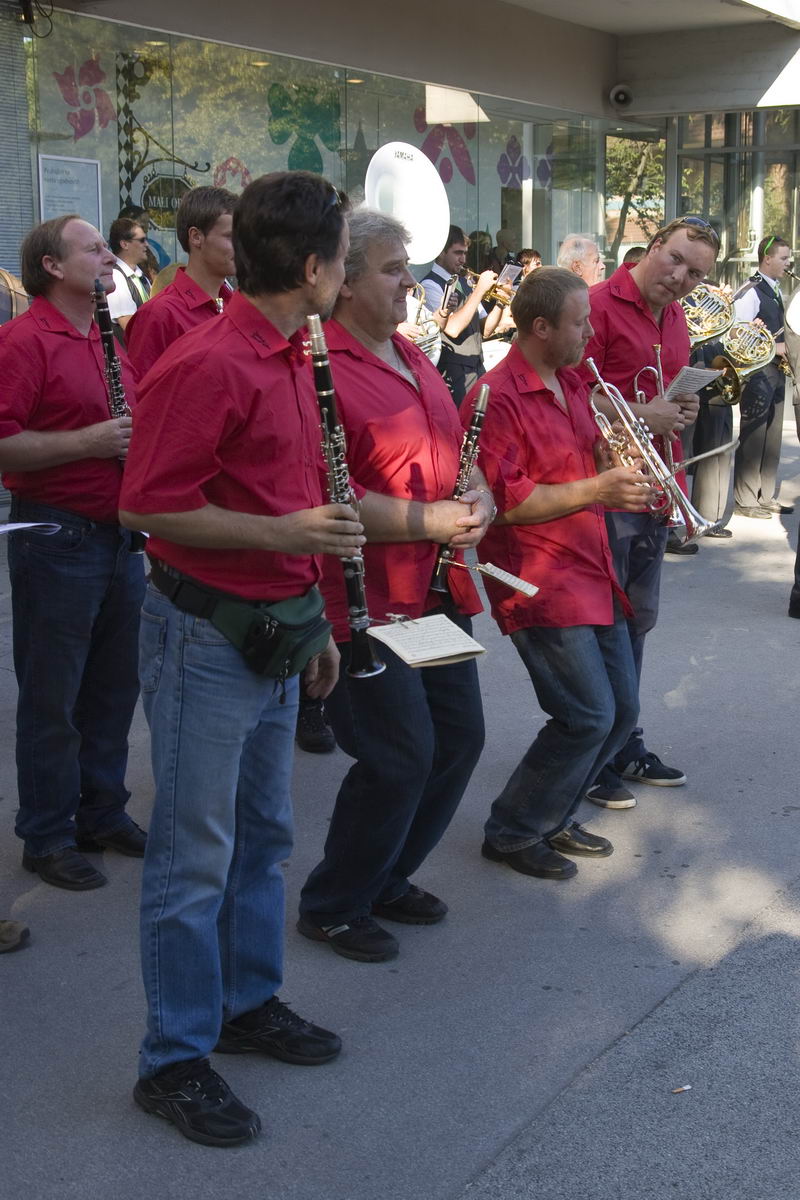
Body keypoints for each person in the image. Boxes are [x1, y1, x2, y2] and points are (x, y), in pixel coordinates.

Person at [119, 171, 359, 1148]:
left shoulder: (295, 350)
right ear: (310, 267)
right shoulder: (210, 360)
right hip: (205, 641)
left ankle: (244, 1003)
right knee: (193, 859)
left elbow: (288, 503)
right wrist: (285, 537)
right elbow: (145, 506)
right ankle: (173, 1060)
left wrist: (315, 624)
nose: (345, 273)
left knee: (262, 839)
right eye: (342, 258)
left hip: (273, 633)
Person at [297, 208, 491, 963]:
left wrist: (479, 498)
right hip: (366, 602)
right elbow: (332, 494)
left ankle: (385, 875)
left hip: (431, 593)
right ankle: (334, 903)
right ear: (346, 283)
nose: (412, 282)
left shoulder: (410, 352)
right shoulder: (319, 364)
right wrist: (434, 519)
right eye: (393, 269)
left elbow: (458, 455)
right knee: (400, 755)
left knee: (460, 739)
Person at [471, 268, 644, 879]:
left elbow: (585, 461)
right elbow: (508, 503)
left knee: (622, 712)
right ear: (540, 327)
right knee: (586, 715)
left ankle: (553, 813)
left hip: (590, 566)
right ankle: (513, 831)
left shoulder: (571, 380)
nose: (590, 332)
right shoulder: (495, 396)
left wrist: (609, 460)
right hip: (537, 577)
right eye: (580, 322)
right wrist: (598, 487)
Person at [0, 215, 146, 891]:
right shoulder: (23, 341)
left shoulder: (106, 336)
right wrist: (90, 442)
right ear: (52, 267)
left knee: (113, 690)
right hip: (56, 536)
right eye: (93, 249)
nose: (109, 256)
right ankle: (47, 834)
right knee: (53, 699)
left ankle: (101, 811)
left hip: (118, 535)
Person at [577, 216, 718, 808]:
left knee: (636, 621)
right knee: (608, 623)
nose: (681, 277)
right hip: (610, 488)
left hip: (655, 487)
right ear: (654, 246)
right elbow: (568, 396)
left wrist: (679, 408)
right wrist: (644, 413)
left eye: (696, 273)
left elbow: (661, 395)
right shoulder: (594, 305)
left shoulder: (677, 315)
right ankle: (592, 752)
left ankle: (623, 741)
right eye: (676, 259)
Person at [124, 185, 237, 378]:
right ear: (196, 237)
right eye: (231, 236)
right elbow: (143, 390)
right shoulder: (160, 314)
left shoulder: (234, 305)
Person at [732, 234, 795, 518]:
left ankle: (764, 495)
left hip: (777, 371)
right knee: (754, 436)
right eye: (784, 258)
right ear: (767, 258)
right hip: (758, 372)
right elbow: (737, 334)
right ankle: (745, 500)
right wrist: (774, 346)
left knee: (772, 436)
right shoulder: (751, 290)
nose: (788, 263)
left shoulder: (774, 288)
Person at [421, 225, 507, 406]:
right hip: (453, 374)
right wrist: (479, 291)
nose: (463, 259)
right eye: (457, 253)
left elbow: (486, 329)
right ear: (441, 253)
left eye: (465, 253)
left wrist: (502, 301)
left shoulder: (463, 282)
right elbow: (452, 329)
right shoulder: (430, 285)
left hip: (476, 367)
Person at [106, 217, 150, 337]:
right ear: (124, 244)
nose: (147, 244)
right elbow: (131, 328)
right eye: (142, 240)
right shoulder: (115, 277)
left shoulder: (141, 278)